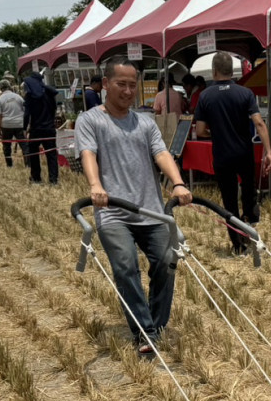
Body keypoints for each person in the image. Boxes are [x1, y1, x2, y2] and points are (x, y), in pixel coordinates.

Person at [75, 56, 192, 355]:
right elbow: (88, 153)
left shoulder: (145, 121)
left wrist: (177, 182)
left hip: (150, 210)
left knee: (167, 262)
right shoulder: (90, 120)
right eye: (121, 84)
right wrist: (95, 186)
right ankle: (145, 332)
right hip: (113, 212)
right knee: (126, 266)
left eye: (132, 85)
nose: (128, 91)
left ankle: (155, 324)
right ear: (106, 84)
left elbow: (162, 153)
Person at [193, 51, 271, 255]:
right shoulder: (245, 93)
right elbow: (259, 123)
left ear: (214, 71)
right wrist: (268, 151)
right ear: (232, 70)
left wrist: (216, 130)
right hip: (244, 153)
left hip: (222, 155)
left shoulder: (205, 96)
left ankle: (238, 244)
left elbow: (200, 131)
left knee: (229, 201)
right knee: (248, 192)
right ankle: (250, 225)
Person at [23, 71, 59, 186]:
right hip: (49, 128)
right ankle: (53, 180)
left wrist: (24, 128)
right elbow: (54, 110)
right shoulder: (49, 93)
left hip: (35, 128)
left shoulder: (30, 95)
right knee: (51, 154)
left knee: (33, 154)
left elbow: (26, 114)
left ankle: (36, 177)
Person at [0, 80, 27, 169]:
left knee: (7, 146)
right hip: (19, 124)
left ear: (1, 88)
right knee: (24, 146)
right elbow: (25, 110)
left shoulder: (0, 99)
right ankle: (28, 165)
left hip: (6, 125)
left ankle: (9, 165)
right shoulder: (18, 97)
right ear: (10, 86)